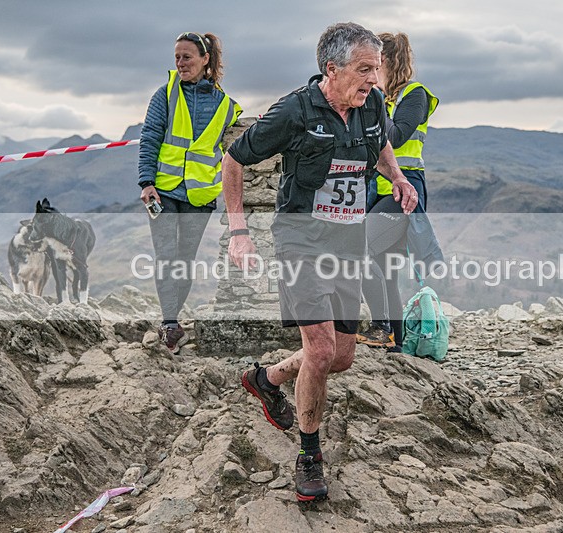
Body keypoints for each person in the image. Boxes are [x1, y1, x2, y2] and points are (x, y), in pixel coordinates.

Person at [222, 22, 418, 502]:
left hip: (348, 243)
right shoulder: (293, 111)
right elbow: (233, 160)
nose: (375, 80)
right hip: (300, 242)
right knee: (323, 350)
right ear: (331, 69)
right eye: (364, 70)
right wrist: (239, 232)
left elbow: (379, 143)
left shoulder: (369, 103)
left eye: (378, 69)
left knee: (343, 357)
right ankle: (309, 457)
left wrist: (396, 177)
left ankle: (265, 379)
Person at [138, 32, 242, 353]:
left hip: (200, 197)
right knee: (166, 257)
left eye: (187, 57)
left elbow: (244, 142)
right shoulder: (165, 94)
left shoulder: (227, 106)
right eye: (177, 58)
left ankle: (171, 319)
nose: (181, 63)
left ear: (205, 59)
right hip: (164, 191)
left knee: (184, 261)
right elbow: (150, 138)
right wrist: (146, 183)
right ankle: (170, 324)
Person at [357, 31, 442, 353]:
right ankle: (396, 341)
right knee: (386, 269)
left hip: (402, 192)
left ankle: (381, 327)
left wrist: (374, 102)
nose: (370, 74)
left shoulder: (415, 95)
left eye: (375, 66)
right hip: (375, 191)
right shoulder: (384, 99)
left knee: (359, 250)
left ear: (391, 62)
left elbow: (396, 136)